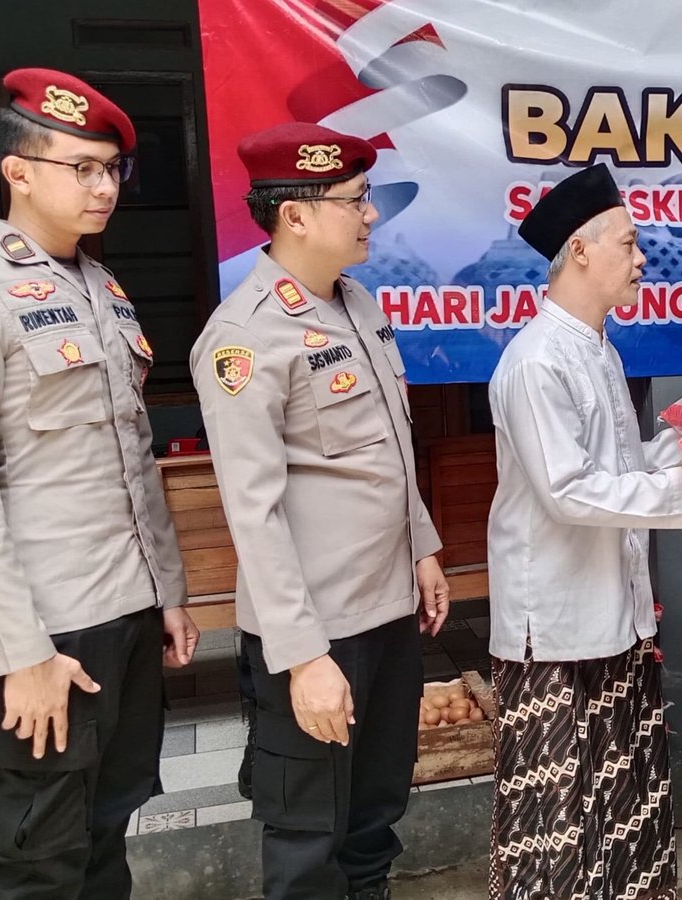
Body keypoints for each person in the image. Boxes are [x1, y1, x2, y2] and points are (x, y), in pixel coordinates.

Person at [0, 67, 196, 899]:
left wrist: (167, 592)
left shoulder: (102, 289)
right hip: (52, 625)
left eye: (113, 169)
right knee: (41, 853)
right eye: (83, 168)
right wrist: (20, 653)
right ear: (19, 171)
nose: (105, 187)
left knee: (109, 828)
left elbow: (133, 456)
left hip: (127, 608)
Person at [486, 163, 682, 900]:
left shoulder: (597, 349)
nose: (642, 258)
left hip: (614, 615)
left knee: (624, 802)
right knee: (559, 819)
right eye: (629, 243)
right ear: (581, 251)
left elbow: (618, 464)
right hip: (555, 629)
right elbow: (569, 491)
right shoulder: (536, 362)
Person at [190, 122, 448, 900]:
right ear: (295, 215)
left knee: (374, 821)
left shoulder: (358, 305)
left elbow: (389, 446)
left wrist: (423, 547)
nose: (371, 214)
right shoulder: (243, 337)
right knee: (309, 840)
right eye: (355, 200)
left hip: (387, 614)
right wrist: (304, 659)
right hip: (317, 630)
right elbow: (254, 512)